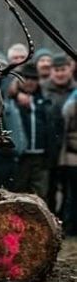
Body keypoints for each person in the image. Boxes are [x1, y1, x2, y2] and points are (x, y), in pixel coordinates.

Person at [41, 54, 77, 214]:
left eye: (63, 70)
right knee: (49, 189)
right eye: (57, 70)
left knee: (69, 191)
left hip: (70, 150)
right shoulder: (41, 89)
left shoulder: (75, 91)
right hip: (48, 148)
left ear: (70, 70)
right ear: (51, 72)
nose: (60, 74)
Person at [13, 62, 52, 200]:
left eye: (33, 78)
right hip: (20, 157)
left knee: (40, 196)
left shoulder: (45, 99)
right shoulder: (12, 100)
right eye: (26, 78)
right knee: (17, 195)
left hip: (41, 157)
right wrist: (16, 94)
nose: (30, 82)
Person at [60, 89, 77, 236]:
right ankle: (70, 227)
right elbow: (63, 134)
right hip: (72, 159)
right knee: (71, 195)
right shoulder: (71, 106)